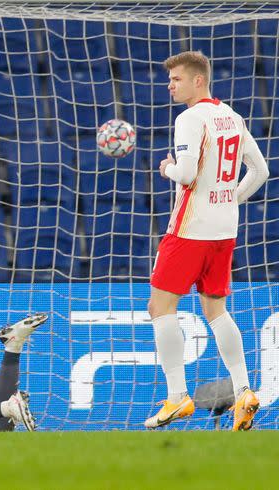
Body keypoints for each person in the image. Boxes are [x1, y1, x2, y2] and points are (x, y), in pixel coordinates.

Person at [145, 51, 269, 431]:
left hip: (189, 230)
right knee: (216, 311)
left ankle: (177, 396)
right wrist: (230, 197)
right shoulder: (232, 116)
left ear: (198, 80)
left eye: (177, 79)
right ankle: (244, 390)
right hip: (224, 230)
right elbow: (260, 170)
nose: (171, 85)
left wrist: (166, 167)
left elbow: (184, 173)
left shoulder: (189, 118)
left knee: (160, 307)